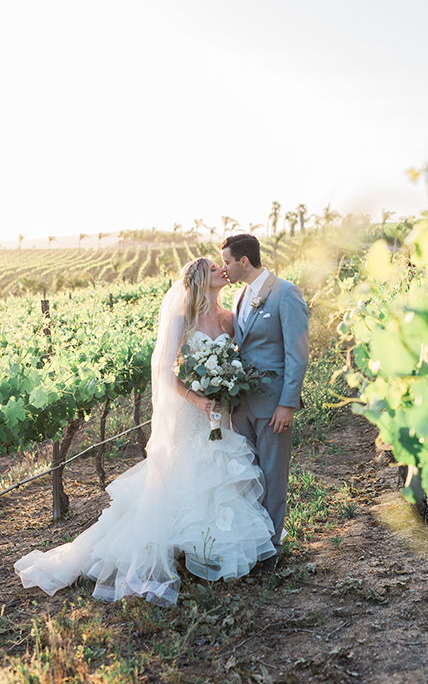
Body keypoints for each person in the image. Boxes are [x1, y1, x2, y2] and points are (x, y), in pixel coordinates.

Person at [15, 258, 276, 605]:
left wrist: (225, 388)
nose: (222, 270)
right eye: (215, 268)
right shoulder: (183, 318)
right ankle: (170, 549)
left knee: (218, 473)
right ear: (200, 279)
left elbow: (237, 361)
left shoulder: (228, 318)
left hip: (217, 411)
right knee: (185, 474)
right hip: (190, 410)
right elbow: (167, 372)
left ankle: (211, 550)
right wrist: (198, 398)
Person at [221, 234, 309, 572]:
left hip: (273, 405)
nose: (224, 268)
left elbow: (297, 355)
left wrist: (287, 404)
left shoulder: (286, 293)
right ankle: (253, 542)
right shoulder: (241, 295)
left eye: (227, 261)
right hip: (241, 405)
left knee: (273, 477)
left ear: (244, 261)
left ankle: (271, 550)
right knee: (249, 476)